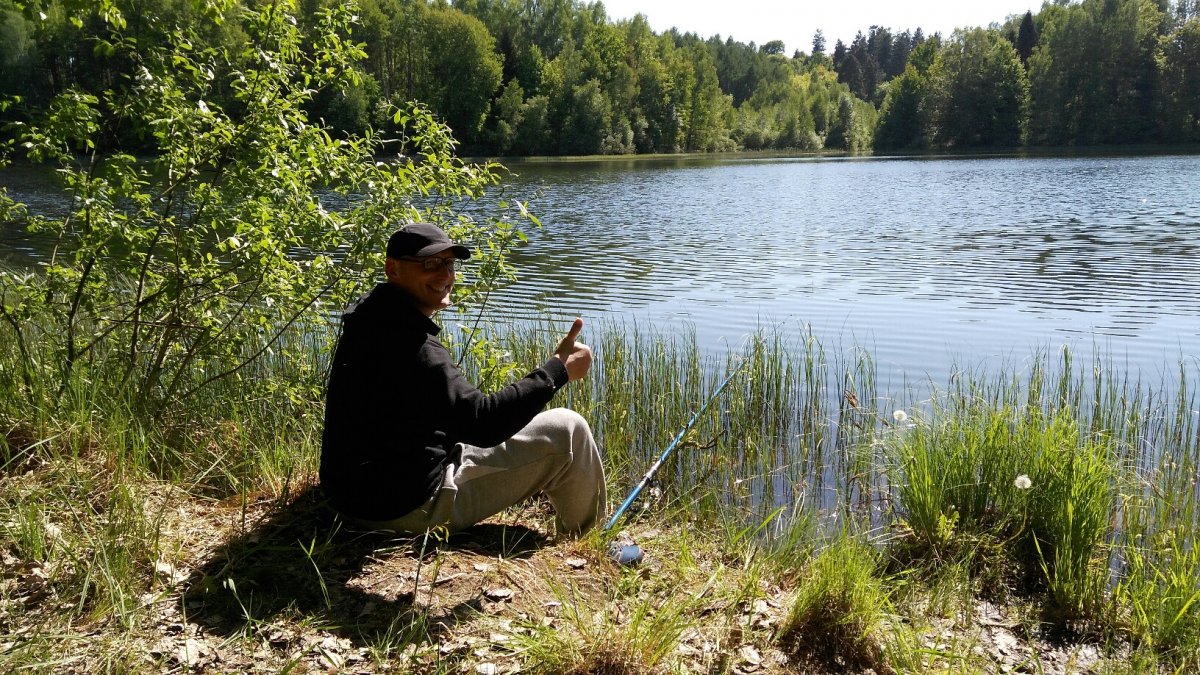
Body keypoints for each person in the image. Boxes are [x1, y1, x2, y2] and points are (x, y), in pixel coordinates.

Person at [319, 222, 606, 536]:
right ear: (393, 269)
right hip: (403, 507)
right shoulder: (413, 346)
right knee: (568, 430)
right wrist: (557, 371)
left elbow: (445, 413)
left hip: (349, 496)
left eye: (449, 264)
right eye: (430, 263)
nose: (445, 275)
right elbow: (484, 424)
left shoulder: (370, 317)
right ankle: (586, 538)